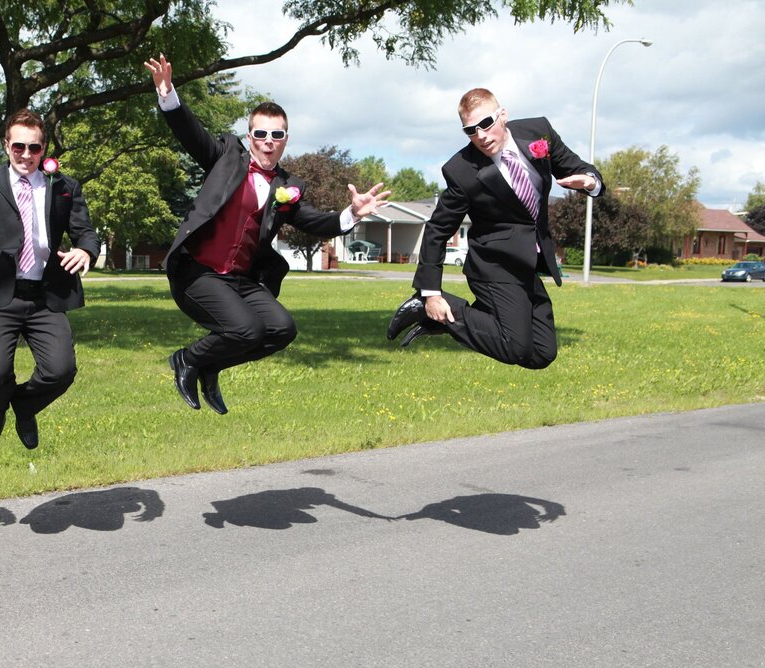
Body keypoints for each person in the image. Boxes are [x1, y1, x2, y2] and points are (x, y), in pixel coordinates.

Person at [145, 54, 390, 414]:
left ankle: (209, 367)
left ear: (285, 139)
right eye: (260, 134)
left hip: (241, 280)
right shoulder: (226, 157)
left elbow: (312, 221)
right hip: (198, 273)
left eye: (276, 135)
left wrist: (352, 213)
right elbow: (190, 133)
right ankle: (187, 360)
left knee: (281, 328)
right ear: (250, 137)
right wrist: (168, 94)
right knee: (245, 330)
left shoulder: (288, 186)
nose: (268, 141)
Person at [387, 88, 603, 368]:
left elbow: (579, 168)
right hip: (492, 265)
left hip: (527, 262)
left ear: (503, 115)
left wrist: (590, 182)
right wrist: (431, 292)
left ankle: (450, 321)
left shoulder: (539, 131)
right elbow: (437, 229)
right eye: (470, 131)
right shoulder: (461, 170)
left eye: (486, 124)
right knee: (514, 346)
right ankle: (429, 311)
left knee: (542, 352)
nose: (481, 136)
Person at [0, 109, 99, 450]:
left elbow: (86, 233)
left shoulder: (64, 186)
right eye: (19, 147)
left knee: (61, 371)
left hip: (46, 296)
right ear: (6, 145)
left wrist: (86, 251)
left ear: (44, 149)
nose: (27, 155)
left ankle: (25, 406)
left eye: (35, 148)